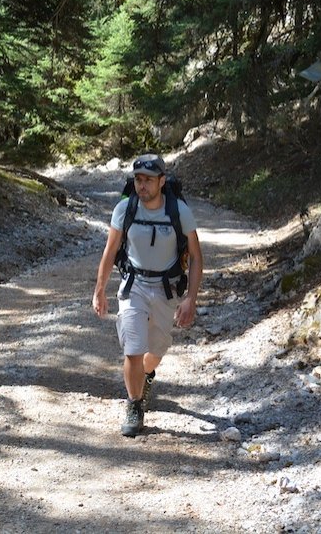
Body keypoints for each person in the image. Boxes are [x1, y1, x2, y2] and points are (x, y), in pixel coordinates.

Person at [92, 153, 203, 436]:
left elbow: (196, 257)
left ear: (162, 182)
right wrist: (100, 290)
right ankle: (134, 404)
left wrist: (190, 297)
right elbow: (109, 251)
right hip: (134, 286)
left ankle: (147, 376)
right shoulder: (124, 209)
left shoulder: (179, 211)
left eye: (149, 181)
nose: (142, 186)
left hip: (166, 290)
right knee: (133, 349)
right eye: (138, 180)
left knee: (155, 351)